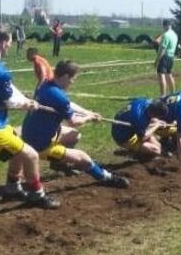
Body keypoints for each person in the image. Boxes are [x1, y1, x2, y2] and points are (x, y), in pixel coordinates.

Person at [0, 24, 59, 209]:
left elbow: (8, 91)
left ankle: (12, 187)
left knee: (16, 154)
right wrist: (28, 104)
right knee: (31, 155)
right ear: (3, 43)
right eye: (10, 41)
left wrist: (26, 99)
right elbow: (10, 101)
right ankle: (37, 194)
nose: (11, 44)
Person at [22, 60, 130, 188]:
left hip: (31, 134)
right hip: (40, 144)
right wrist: (89, 118)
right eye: (73, 79)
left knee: (74, 135)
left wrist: (87, 112)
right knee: (84, 158)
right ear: (66, 76)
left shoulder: (47, 85)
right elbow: (73, 122)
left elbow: (67, 104)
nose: (72, 82)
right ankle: (106, 177)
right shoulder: (58, 96)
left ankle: (58, 163)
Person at [156, 19, 178, 96]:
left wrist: (157, 60)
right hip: (171, 57)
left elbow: (162, 49)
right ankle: (173, 93)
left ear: (164, 26)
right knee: (169, 75)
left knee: (161, 75)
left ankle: (163, 95)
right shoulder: (175, 35)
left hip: (164, 57)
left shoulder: (165, 35)